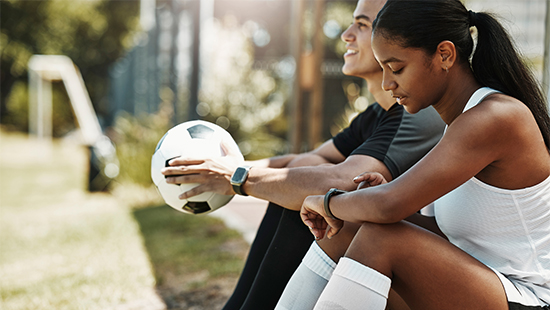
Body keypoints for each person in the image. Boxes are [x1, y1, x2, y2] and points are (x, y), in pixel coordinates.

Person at [161, 0, 445, 308]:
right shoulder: (378, 113)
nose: (347, 34)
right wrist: (225, 168)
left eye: (363, 25)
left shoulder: (418, 114)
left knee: (314, 194)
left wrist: (236, 177)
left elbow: (339, 181)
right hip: (389, 263)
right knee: (305, 170)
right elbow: (305, 162)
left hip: (422, 279)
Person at [282, 0, 550, 309]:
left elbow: (389, 207)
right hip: (482, 285)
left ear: (445, 55)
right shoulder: (459, 124)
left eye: (396, 68)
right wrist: (369, 200)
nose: (387, 83)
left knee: (379, 238)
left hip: (527, 298)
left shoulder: (496, 117)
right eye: (383, 69)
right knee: (347, 229)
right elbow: (442, 233)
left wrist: (328, 200)